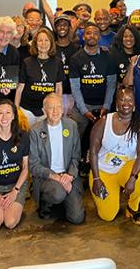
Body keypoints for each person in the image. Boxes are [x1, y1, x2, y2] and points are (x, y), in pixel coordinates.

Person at [89, 86, 140, 224]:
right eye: (122, 100)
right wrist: (96, 179)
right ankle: (109, 195)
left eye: (129, 100)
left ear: (134, 104)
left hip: (126, 170)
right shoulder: (104, 122)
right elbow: (92, 151)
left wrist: (133, 178)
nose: (125, 103)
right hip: (103, 171)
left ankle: (132, 207)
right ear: (116, 103)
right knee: (108, 216)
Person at [29, 94, 85, 224]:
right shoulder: (35, 131)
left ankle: (62, 199)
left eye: (58, 107)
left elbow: (76, 156)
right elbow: (34, 165)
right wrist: (55, 177)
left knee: (77, 218)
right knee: (58, 193)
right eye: (51, 108)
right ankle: (45, 203)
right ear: (44, 111)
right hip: (47, 177)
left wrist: (70, 175)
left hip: (67, 176)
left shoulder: (71, 126)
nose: (55, 111)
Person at [0, 99, 29, 231]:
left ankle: (15, 208)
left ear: (14, 115)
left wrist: (15, 191)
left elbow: (25, 168)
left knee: (10, 222)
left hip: (16, 185)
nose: (4, 117)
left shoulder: (23, 136)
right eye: (0, 113)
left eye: (8, 112)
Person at [69, 23, 118, 149]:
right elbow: (75, 87)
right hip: (82, 105)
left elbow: (111, 84)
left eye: (96, 33)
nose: (92, 36)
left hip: (104, 105)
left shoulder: (109, 56)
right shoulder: (75, 58)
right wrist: (84, 110)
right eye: (88, 33)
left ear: (100, 37)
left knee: (107, 138)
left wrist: (106, 106)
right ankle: (77, 162)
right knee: (73, 135)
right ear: (83, 37)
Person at [14, 28, 64, 127]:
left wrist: (57, 107)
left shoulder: (58, 62)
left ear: (51, 43)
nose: (43, 43)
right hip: (27, 110)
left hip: (47, 111)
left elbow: (58, 88)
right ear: (35, 43)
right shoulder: (27, 62)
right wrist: (16, 109)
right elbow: (20, 88)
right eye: (40, 40)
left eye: (46, 40)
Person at [52, 15, 80, 114]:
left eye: (65, 25)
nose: (62, 27)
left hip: (72, 95)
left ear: (69, 28)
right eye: (59, 25)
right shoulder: (51, 48)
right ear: (55, 28)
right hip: (54, 94)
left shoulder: (77, 48)